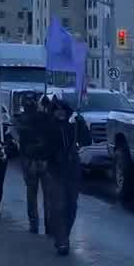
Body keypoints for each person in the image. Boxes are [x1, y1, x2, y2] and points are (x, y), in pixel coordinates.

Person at [41, 96, 90, 256]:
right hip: (56, 171)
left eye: (63, 110)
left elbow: (86, 140)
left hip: (72, 172)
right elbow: (43, 148)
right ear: (54, 112)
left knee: (71, 206)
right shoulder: (49, 128)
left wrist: (81, 123)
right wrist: (53, 155)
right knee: (59, 206)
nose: (61, 113)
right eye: (58, 110)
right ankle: (62, 241)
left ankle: (64, 235)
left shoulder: (72, 128)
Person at [15, 93, 48, 234]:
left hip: (31, 159)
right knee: (46, 194)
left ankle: (35, 224)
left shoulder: (22, 119)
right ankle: (47, 224)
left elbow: (18, 137)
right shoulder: (42, 118)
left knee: (33, 193)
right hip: (38, 159)